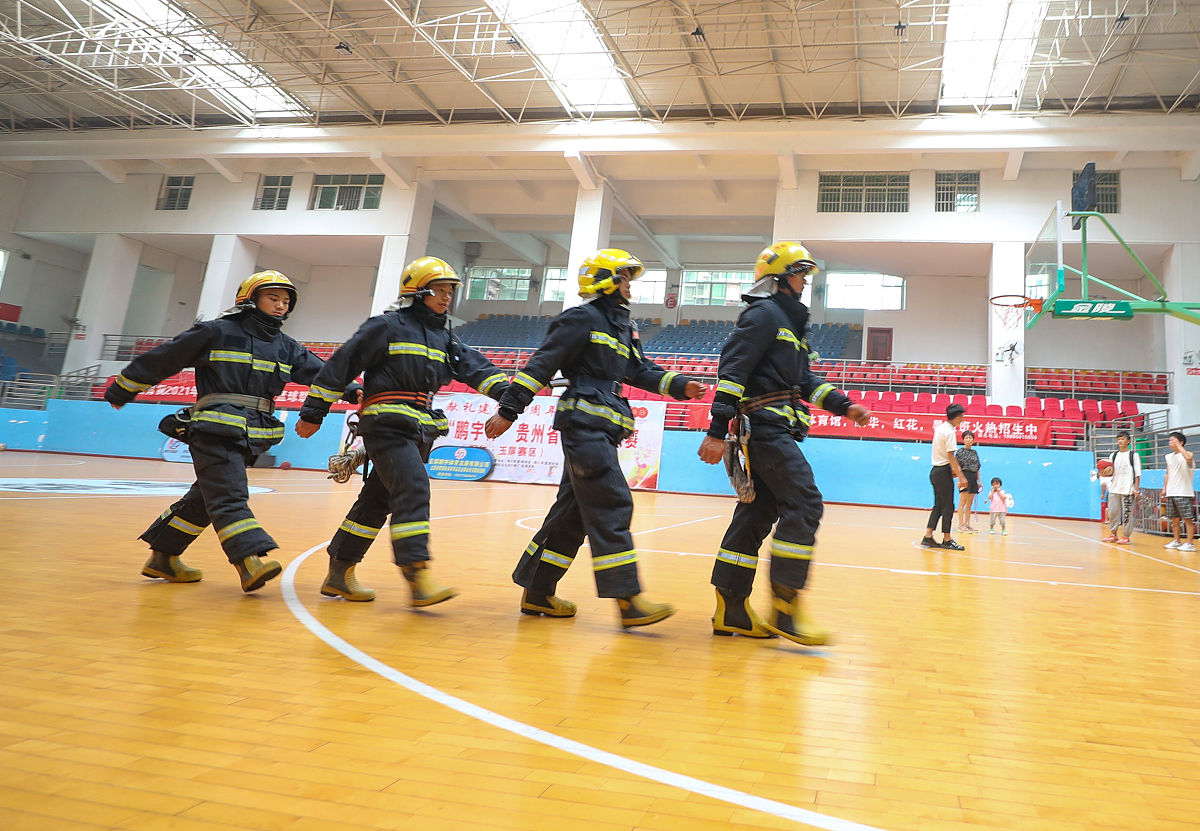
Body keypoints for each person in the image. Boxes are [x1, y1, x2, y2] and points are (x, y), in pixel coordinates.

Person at [483, 248, 707, 629]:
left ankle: (537, 591)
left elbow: (638, 370)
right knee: (612, 504)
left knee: (571, 515)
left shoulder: (621, 327)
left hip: (603, 423)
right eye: (624, 277)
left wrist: (679, 384)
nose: (629, 285)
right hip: (584, 423)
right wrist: (508, 410)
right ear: (606, 281)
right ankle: (627, 601)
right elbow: (541, 364)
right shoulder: (580, 319)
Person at [105, 270, 353, 592]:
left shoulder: (287, 347)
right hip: (214, 427)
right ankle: (249, 561)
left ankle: (163, 557)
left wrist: (352, 390)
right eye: (273, 298)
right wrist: (122, 389)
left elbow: (323, 373)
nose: (280, 306)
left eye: (286, 301)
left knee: (205, 498)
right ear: (249, 299)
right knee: (230, 496)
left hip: (251, 432)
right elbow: (164, 358)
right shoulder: (214, 332)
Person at [295, 257, 509, 605]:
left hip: (419, 426)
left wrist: (508, 396)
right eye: (438, 290)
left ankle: (339, 573)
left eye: (450, 291)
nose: (445, 297)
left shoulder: (445, 337)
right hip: (386, 423)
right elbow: (339, 367)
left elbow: (476, 368)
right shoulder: (385, 326)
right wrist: (313, 412)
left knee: (377, 500)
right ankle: (417, 573)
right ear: (418, 291)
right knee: (412, 487)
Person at [696, 241, 870, 646]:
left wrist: (845, 406)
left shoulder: (790, 326)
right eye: (800, 274)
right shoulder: (763, 315)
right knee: (806, 502)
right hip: (763, 427)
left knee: (757, 515)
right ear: (779, 278)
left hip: (777, 426)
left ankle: (731, 609)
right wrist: (716, 430)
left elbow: (804, 382)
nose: (805, 282)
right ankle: (786, 608)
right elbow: (733, 372)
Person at [921, 403, 967, 550]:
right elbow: (950, 455)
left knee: (939, 505)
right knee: (948, 506)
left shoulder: (940, 428)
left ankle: (928, 536)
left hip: (936, 471)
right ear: (956, 417)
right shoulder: (949, 432)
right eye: (961, 416)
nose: (962, 419)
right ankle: (947, 539)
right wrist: (961, 476)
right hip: (943, 472)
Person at [1102, 431, 1141, 544]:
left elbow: (1137, 473)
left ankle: (1126, 536)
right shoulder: (1113, 455)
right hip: (1114, 488)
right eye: (1118, 439)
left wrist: (1136, 489)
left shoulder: (1133, 455)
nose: (1120, 441)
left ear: (1128, 441)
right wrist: (1104, 472)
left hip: (1128, 489)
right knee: (1113, 512)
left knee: (1127, 514)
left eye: (1123, 439)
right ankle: (1113, 534)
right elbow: (1110, 471)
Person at [1162, 431, 1195, 552]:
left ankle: (1190, 544)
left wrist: (1179, 446)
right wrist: (1164, 488)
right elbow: (1168, 473)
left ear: (1181, 442)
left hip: (1184, 492)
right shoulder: (1168, 457)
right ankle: (1176, 540)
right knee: (1174, 519)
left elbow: (1188, 458)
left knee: (1187, 519)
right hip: (1171, 492)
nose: (1170, 442)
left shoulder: (1189, 454)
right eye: (1170, 440)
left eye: (1173, 440)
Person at [955, 429, 981, 532]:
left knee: (969, 503)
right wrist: (959, 479)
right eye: (967, 438)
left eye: (970, 438)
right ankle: (960, 525)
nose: (969, 440)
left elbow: (978, 467)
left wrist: (979, 481)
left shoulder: (975, 452)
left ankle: (967, 524)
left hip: (973, 477)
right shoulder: (960, 451)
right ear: (963, 440)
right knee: (962, 502)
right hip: (964, 476)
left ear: (973, 440)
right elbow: (957, 467)